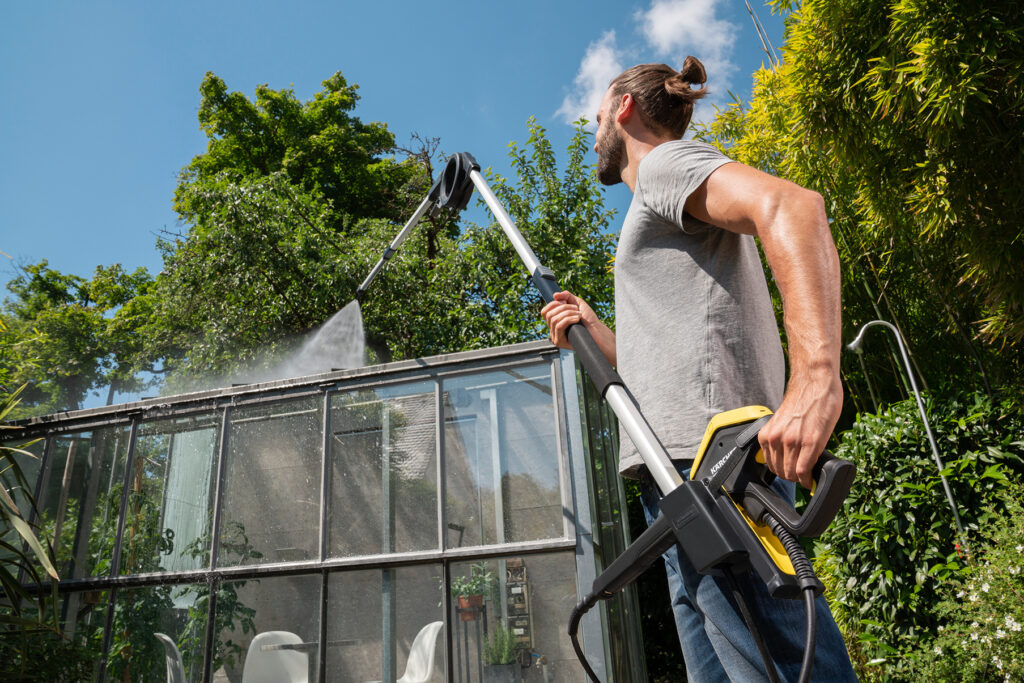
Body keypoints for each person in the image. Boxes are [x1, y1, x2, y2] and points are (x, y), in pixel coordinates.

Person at [541, 57, 857, 682]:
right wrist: (596, 332)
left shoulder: (664, 164)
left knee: (779, 666)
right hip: (678, 477)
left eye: (599, 114)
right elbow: (664, 355)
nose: (596, 130)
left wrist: (817, 375)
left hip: (715, 467)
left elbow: (793, 207)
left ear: (624, 108)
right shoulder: (662, 207)